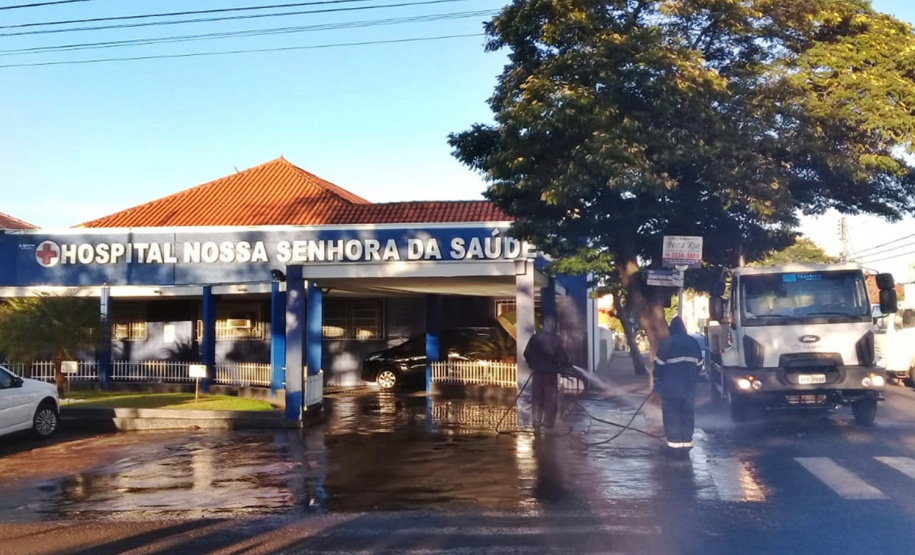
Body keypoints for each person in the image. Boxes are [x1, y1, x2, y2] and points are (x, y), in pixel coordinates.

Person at [653, 316, 703, 460]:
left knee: (672, 418)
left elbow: (658, 366)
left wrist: (658, 381)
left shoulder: (667, 344)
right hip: (689, 390)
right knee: (687, 417)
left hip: (671, 390)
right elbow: (699, 366)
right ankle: (686, 447)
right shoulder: (693, 343)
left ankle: (674, 449)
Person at [523, 315, 570, 431]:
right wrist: (565, 366)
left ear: (544, 325)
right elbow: (562, 357)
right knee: (550, 399)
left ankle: (536, 422)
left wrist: (533, 365)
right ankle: (548, 424)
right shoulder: (556, 339)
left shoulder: (535, 338)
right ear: (553, 325)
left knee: (537, 399)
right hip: (550, 375)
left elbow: (526, 354)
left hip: (537, 374)